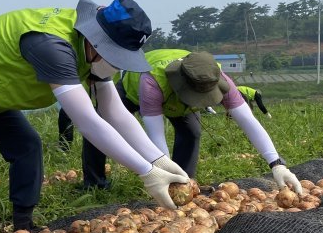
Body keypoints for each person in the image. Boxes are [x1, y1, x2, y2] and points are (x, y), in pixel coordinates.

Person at [0, 0, 191, 233]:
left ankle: (23, 225)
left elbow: (114, 112)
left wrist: (158, 160)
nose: (117, 64)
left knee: (28, 146)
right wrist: (146, 173)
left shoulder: (90, 50)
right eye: (115, 55)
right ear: (96, 41)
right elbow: (88, 122)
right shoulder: (52, 46)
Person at [79, 49, 302, 193]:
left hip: (178, 99)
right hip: (131, 92)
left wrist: (277, 164)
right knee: (102, 127)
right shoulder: (153, 82)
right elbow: (156, 136)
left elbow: (249, 121)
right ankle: (95, 182)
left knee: (191, 132)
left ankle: (185, 183)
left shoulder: (217, 79)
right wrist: (162, 173)